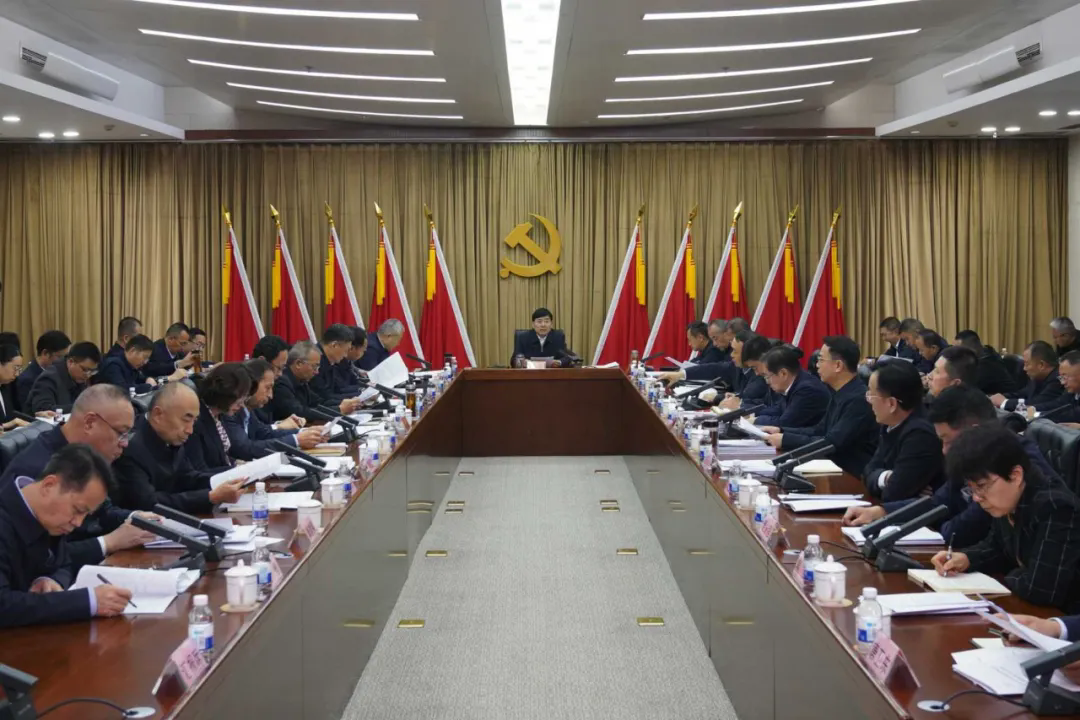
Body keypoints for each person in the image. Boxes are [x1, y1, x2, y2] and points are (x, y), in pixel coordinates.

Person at [845, 385, 1060, 546]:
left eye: (947, 440)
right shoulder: (974, 455)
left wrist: (942, 524)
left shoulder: (1012, 462)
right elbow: (940, 502)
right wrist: (881, 512)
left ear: (973, 431)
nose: (944, 450)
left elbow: (960, 531)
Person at [0, 385, 156, 566]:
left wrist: (135, 518)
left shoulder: (85, 457)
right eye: (121, 433)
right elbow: (41, 557)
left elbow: (102, 511)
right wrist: (108, 542)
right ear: (89, 423)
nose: (125, 443)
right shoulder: (36, 471)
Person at [932, 424, 1080, 612]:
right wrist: (967, 558)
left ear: (1015, 475)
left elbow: (1040, 589)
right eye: (972, 489)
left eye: (982, 486)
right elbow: (997, 547)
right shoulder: (1010, 499)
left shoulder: (1056, 507)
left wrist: (1001, 577)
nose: (976, 498)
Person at [0, 444, 135, 627]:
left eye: (86, 515)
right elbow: (3, 605)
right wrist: (87, 601)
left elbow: (64, 563)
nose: (78, 522)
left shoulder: (48, 517)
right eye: (78, 510)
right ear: (49, 485)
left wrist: (50, 580)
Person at [112, 382, 246, 514]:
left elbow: (187, 478)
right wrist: (210, 497)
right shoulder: (130, 447)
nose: (190, 430)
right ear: (158, 415)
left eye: (194, 421)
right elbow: (148, 503)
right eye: (186, 420)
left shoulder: (170, 436)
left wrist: (230, 477)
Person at [760, 336, 878, 477]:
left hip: (852, 476)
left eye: (821, 360)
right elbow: (819, 430)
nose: (816, 365)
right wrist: (781, 430)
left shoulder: (858, 399)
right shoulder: (839, 392)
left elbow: (831, 443)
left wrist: (785, 440)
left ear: (838, 365)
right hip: (833, 468)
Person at [864, 362, 943, 501]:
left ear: (892, 403)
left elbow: (893, 494)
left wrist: (886, 480)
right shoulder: (891, 423)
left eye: (872, 394)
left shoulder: (920, 435)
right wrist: (887, 477)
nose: (869, 400)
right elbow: (867, 472)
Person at [222, 358, 321, 460]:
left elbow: (263, 433)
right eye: (267, 388)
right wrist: (296, 440)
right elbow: (245, 449)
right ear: (252, 384)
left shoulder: (246, 410)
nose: (271, 395)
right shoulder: (230, 411)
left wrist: (306, 433)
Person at [272, 341, 364, 423]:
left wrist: (349, 404)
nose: (316, 372)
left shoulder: (301, 379)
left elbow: (320, 402)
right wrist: (339, 409)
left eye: (318, 367)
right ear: (298, 364)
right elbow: (300, 412)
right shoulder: (281, 382)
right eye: (314, 366)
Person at [185, 363, 250, 472]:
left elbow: (222, 456)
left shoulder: (219, 415)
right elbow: (199, 471)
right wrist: (235, 470)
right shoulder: (196, 420)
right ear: (225, 393)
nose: (242, 405)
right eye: (239, 399)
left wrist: (237, 463)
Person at [752, 345, 830, 428]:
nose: (767, 382)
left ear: (783, 373)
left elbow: (785, 423)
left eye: (767, 376)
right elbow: (778, 409)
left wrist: (755, 420)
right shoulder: (793, 383)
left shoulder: (807, 390)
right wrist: (752, 414)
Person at [27, 341, 100, 415]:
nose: (88, 375)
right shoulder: (49, 378)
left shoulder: (80, 378)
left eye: (92, 371)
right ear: (71, 362)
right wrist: (82, 407)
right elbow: (43, 409)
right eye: (85, 370)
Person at [990, 340, 1064, 411]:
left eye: (1027, 364)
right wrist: (998, 397)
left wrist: (1005, 402)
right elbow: (1022, 394)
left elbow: (1038, 403)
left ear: (1041, 365)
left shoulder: (1058, 379)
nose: (1024, 368)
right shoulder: (1038, 377)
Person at [98, 334, 177, 395]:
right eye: (145, 357)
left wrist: (148, 379)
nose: (145, 362)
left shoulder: (131, 365)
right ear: (133, 351)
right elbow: (122, 390)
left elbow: (141, 379)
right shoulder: (114, 365)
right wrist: (149, 386)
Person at [14, 330, 70, 412]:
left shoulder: (62, 374)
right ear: (45, 353)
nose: (64, 361)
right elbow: (27, 413)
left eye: (66, 357)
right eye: (60, 357)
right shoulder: (27, 380)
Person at [953, 330, 1018, 395]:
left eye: (960, 350)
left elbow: (967, 387)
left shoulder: (988, 364)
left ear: (973, 347)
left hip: (1005, 398)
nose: (958, 353)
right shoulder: (984, 353)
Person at [311, 323, 363, 399]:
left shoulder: (330, 358)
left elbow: (337, 390)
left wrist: (361, 393)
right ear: (334, 345)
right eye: (346, 350)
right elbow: (323, 397)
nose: (345, 355)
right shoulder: (315, 361)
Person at [0, 344, 28, 431]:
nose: (17, 374)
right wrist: (9, 424)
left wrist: (37, 418)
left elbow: (11, 416)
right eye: (16, 368)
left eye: (19, 369)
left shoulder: (7, 387)